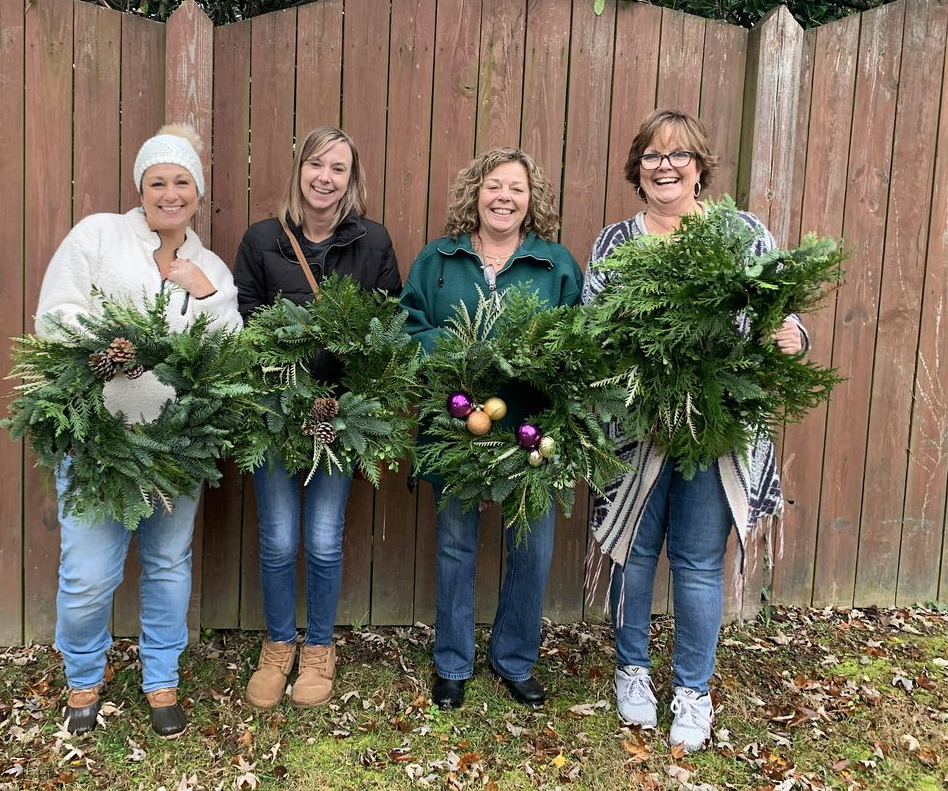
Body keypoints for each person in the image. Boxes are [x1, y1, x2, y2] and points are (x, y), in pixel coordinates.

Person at [584, 109, 809, 751]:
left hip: (718, 430)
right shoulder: (614, 245)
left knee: (699, 562)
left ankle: (692, 688)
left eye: (680, 155)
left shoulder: (741, 235)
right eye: (653, 156)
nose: (666, 166)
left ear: (700, 167)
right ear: (638, 169)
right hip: (635, 429)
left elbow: (779, 314)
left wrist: (792, 337)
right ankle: (631, 671)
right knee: (631, 549)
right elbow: (593, 328)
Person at [35, 124, 242, 738]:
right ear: (141, 187)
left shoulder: (211, 267)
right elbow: (56, 313)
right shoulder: (98, 236)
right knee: (88, 573)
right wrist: (108, 343)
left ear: (198, 194)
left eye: (183, 182)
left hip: (176, 448)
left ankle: (161, 677)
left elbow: (228, 352)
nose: (170, 193)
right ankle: (82, 674)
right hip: (99, 439)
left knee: (168, 562)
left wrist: (202, 295)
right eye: (158, 182)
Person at [399, 147, 583, 710]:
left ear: (533, 202)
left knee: (532, 546)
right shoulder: (439, 260)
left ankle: (515, 659)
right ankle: (452, 662)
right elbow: (408, 326)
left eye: (517, 189)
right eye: (493, 185)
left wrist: (538, 362)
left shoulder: (555, 264)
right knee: (456, 542)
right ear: (474, 194)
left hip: (533, 430)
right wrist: (461, 352)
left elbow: (575, 339)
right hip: (458, 423)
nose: (504, 197)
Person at [233, 126, 402, 709]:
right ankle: (279, 646)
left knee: (325, 541)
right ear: (299, 169)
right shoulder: (262, 240)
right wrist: (299, 340)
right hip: (275, 415)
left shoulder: (372, 243)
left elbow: (389, 325)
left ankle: (320, 649)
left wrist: (354, 374)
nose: (324, 178)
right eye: (315, 165)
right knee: (279, 540)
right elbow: (245, 317)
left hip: (339, 415)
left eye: (338, 168)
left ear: (351, 179)